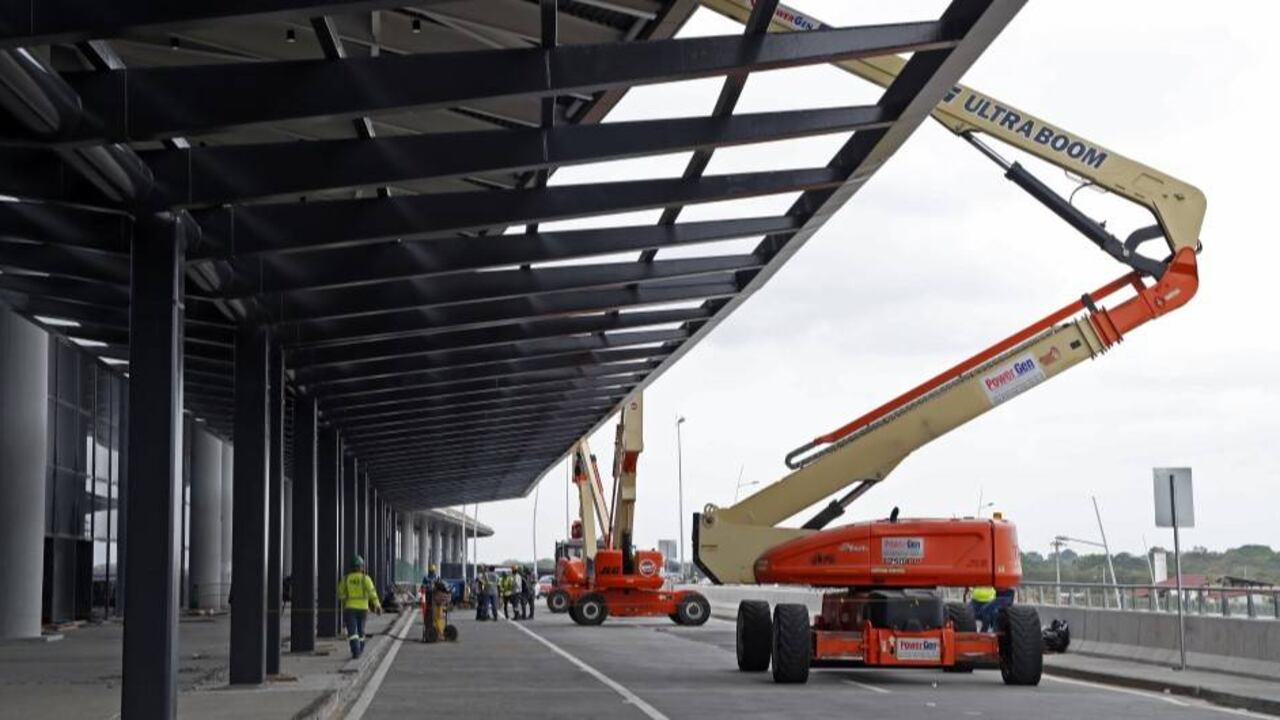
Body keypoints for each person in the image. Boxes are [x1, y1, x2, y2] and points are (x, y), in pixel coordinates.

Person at [339, 554, 382, 659]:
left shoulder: (346, 579)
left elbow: (340, 594)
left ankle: (355, 651)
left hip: (350, 608)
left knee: (352, 631)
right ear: (362, 567)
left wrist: (345, 601)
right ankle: (361, 648)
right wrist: (377, 606)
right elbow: (373, 594)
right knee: (361, 630)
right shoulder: (365, 579)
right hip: (363, 608)